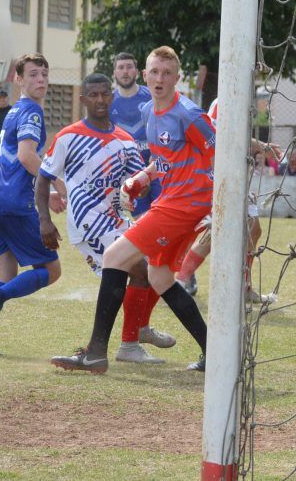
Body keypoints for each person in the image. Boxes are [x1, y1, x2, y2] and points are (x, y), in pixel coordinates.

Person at [50, 46, 212, 373]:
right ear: (144, 76)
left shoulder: (190, 114)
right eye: (154, 72)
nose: (160, 79)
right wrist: (142, 177)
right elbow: (164, 162)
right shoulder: (151, 114)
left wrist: (216, 207)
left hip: (183, 206)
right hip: (172, 202)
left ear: (177, 77)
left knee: (114, 257)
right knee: (160, 276)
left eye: (167, 73)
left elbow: (222, 156)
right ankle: (214, 352)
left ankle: (96, 353)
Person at [37, 73, 176, 364]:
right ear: (83, 99)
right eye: (94, 95)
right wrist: (45, 220)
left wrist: (136, 186)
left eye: (104, 94)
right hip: (88, 225)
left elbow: (141, 180)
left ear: (111, 97)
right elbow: (43, 177)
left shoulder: (125, 141)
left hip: (116, 221)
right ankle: (129, 342)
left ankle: (132, 339)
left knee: (149, 268)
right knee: (138, 269)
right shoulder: (68, 136)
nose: (100, 100)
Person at [0, 54, 62, 357]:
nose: (40, 80)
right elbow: (27, 157)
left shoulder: (14, 111)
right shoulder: (31, 110)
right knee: (51, 269)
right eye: (32, 74)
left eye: (44, 74)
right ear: (18, 79)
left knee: (5, 273)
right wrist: (57, 183)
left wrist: (44, 194)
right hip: (13, 205)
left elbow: (15, 164)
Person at [173, 97, 278, 305]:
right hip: (220, 173)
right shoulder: (228, 98)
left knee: (253, 229)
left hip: (235, 173)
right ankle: (182, 278)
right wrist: (261, 145)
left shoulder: (247, 98)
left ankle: (244, 287)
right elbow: (219, 137)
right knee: (219, 228)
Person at [108, 51, 158, 216]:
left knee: (165, 218)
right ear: (114, 72)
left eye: (129, 67)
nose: (125, 71)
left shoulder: (152, 96)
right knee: (142, 222)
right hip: (130, 174)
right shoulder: (108, 103)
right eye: (120, 68)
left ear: (137, 71)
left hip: (157, 169)